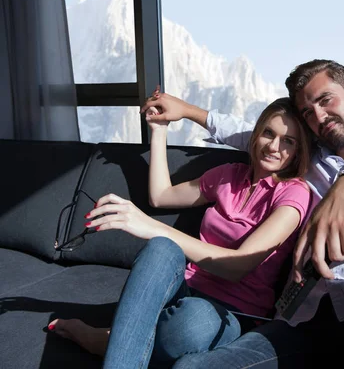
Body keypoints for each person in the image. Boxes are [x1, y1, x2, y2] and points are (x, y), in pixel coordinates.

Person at [140, 59, 344, 368]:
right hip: (308, 320)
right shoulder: (309, 158)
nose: (320, 116)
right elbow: (254, 135)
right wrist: (183, 110)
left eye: (327, 100)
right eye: (308, 112)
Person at [48, 97, 313, 369]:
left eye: (288, 141)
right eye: (269, 133)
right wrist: (159, 130)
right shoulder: (229, 176)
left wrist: (150, 226)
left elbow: (239, 265)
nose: (274, 146)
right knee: (161, 249)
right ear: (256, 134)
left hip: (233, 313)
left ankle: (106, 341)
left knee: (194, 322)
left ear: (297, 152)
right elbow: (161, 196)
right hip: (185, 290)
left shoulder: (294, 194)